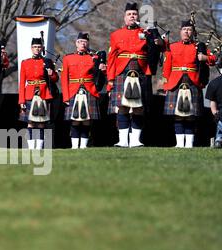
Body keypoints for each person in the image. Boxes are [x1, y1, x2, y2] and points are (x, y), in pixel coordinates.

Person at [107, 2, 165, 148]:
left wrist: (159, 41)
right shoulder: (115, 35)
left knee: (139, 107)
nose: (132, 16)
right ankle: (122, 140)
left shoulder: (147, 32)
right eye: (129, 14)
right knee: (122, 106)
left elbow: (159, 49)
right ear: (124, 18)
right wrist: (110, 80)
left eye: (134, 14)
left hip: (141, 72)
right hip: (122, 72)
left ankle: (135, 141)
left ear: (138, 16)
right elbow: (112, 58)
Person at [163, 20, 216, 148]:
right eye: (184, 29)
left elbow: (213, 59)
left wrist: (205, 58)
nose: (186, 32)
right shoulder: (173, 46)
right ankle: (180, 144)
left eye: (189, 30)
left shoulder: (199, 47)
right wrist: (166, 84)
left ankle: (189, 144)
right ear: (180, 32)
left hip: (193, 82)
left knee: (191, 115)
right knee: (178, 115)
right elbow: (167, 67)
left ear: (193, 32)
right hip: (175, 82)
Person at [61, 32, 106, 149]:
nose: (83, 44)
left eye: (85, 42)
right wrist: (65, 97)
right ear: (76, 43)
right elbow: (64, 79)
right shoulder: (67, 58)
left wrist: (102, 69)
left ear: (88, 43)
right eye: (81, 42)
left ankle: (84, 146)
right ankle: (75, 146)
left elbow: (99, 76)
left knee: (86, 120)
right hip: (73, 91)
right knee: (75, 120)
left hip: (89, 90)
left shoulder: (94, 58)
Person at [18, 38, 58, 149]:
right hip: (29, 93)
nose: (37, 49)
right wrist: (21, 100)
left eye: (39, 47)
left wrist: (51, 74)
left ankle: (39, 147)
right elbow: (22, 83)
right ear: (31, 48)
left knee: (41, 122)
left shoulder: (47, 61)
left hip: (44, 93)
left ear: (42, 48)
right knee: (30, 122)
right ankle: (31, 147)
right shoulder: (25, 63)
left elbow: (55, 79)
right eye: (35, 47)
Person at [205, 69, 222, 148]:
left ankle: (218, 140)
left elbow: (212, 103)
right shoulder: (214, 83)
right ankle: (218, 140)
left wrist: (216, 113)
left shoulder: (214, 83)